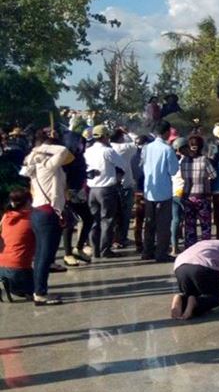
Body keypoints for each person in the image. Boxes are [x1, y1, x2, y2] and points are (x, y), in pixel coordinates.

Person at [21, 128, 73, 304]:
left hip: (39, 212)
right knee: (44, 256)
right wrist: (43, 147)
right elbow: (63, 151)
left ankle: (38, 290)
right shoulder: (46, 163)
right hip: (47, 214)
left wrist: (39, 148)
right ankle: (40, 293)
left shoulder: (32, 162)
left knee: (43, 255)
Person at [171, 239, 219, 320]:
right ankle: (195, 301)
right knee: (215, 298)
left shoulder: (210, 245)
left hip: (180, 265)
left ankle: (181, 298)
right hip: (203, 265)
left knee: (191, 295)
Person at [140, 121, 180, 262]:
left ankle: (147, 251)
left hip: (149, 191)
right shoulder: (167, 149)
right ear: (167, 132)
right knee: (163, 225)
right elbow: (174, 170)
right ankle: (161, 253)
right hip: (163, 191)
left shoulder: (146, 148)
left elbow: (142, 165)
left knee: (149, 223)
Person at [84, 125, 126, 259]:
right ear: (105, 136)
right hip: (106, 189)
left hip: (92, 190)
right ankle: (105, 250)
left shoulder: (88, 151)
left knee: (94, 221)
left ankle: (95, 250)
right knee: (107, 220)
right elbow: (122, 164)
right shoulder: (108, 151)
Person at [179, 134, 216, 248]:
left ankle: (190, 248)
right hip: (202, 196)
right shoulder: (204, 160)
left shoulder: (184, 160)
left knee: (190, 225)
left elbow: (182, 176)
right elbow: (214, 175)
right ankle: (205, 248)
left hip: (187, 195)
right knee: (205, 225)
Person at [0, 188, 36, 301]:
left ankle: (7, 286)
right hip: (20, 270)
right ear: (28, 202)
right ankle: (23, 290)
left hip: (1, 265)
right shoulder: (32, 218)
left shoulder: (6, 216)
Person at [110, 127, 138, 248]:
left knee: (113, 215)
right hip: (125, 184)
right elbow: (137, 141)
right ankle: (121, 239)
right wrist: (128, 132)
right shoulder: (125, 148)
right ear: (121, 138)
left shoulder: (108, 148)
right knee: (125, 214)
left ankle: (112, 239)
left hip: (110, 186)